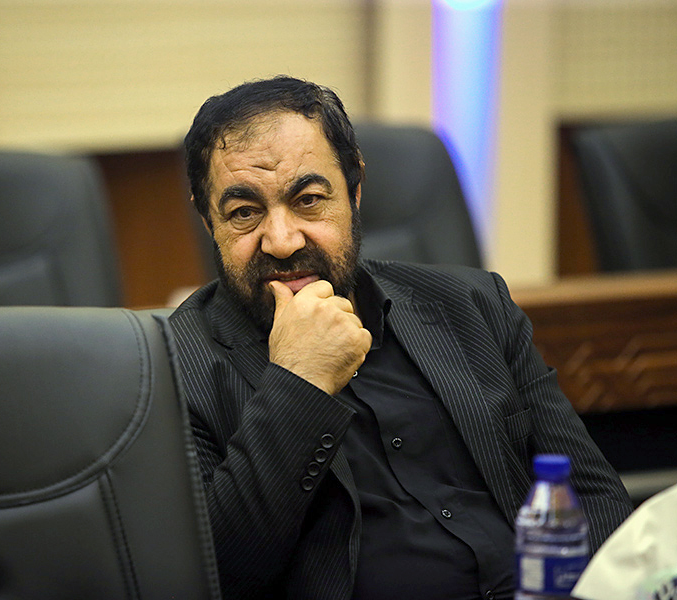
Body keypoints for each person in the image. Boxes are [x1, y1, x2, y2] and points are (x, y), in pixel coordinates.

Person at [168, 75, 632, 600]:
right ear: (208, 221)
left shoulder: (474, 306)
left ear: (354, 191)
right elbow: (217, 575)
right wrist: (298, 383)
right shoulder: (174, 368)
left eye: (309, 200)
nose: (282, 240)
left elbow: (595, 499)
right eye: (244, 213)